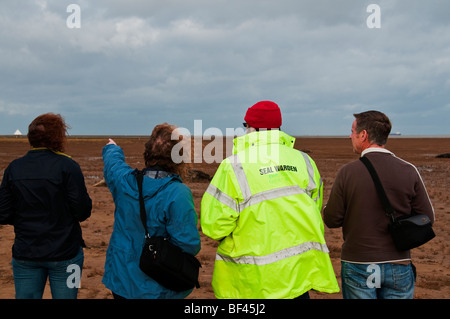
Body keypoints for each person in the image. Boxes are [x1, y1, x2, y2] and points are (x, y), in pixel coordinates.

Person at [200, 101, 339, 299]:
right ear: (278, 128)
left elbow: (214, 226)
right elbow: (313, 209)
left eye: (245, 125)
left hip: (252, 285)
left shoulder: (233, 166)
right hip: (297, 280)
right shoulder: (305, 161)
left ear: (252, 128)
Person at [323, 110, 435, 299]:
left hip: (358, 263)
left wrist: (327, 209)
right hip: (399, 263)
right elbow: (427, 217)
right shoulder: (409, 170)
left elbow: (332, 219)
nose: (350, 136)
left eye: (352, 131)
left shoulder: (347, 172)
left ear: (363, 135)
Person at [102, 123, 201, 299]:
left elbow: (113, 165)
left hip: (121, 280)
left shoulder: (124, 181)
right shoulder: (178, 193)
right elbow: (188, 244)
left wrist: (112, 148)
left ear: (148, 152)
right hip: (158, 287)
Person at [0, 113, 92, 299]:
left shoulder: (14, 168)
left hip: (26, 253)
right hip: (67, 254)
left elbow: (3, 213)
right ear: (58, 137)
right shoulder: (69, 167)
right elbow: (82, 211)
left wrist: (26, 221)